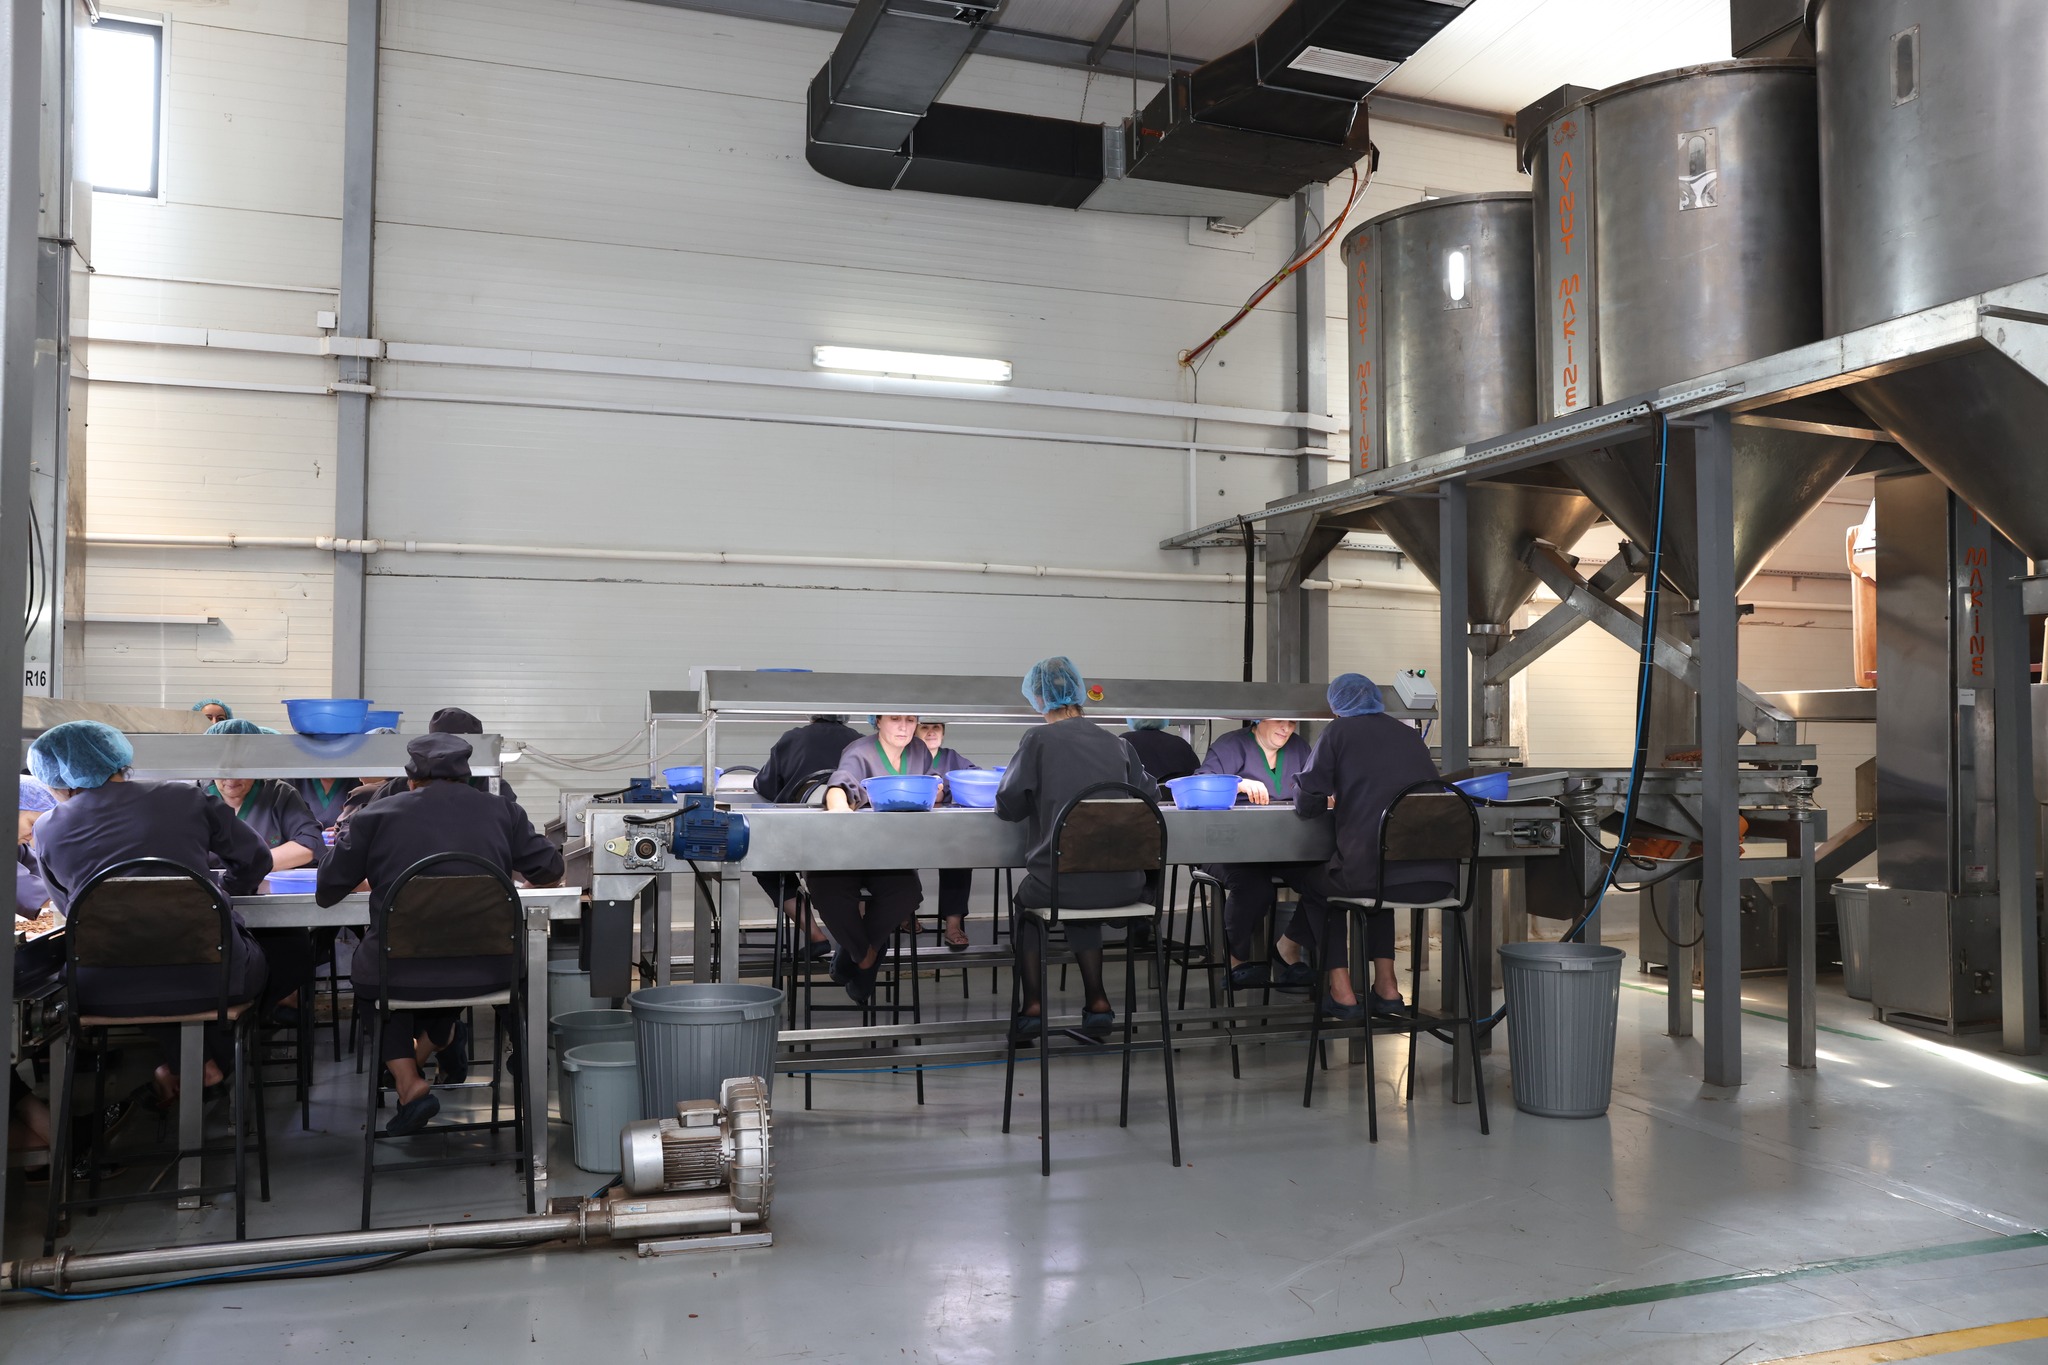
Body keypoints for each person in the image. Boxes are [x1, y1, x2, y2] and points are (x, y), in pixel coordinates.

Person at [316, 733, 564, 1136]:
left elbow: (326, 890)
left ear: (411, 779)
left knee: (372, 977)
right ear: (465, 776)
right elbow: (551, 869)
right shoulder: (502, 811)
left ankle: (408, 1083)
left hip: (399, 974)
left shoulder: (375, 814)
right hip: (492, 973)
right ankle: (519, 1051)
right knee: (517, 968)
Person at [28, 721, 272, 1104]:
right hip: (213, 981)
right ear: (118, 758)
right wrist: (223, 893)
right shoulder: (184, 796)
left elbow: (71, 911)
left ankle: (191, 1065)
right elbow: (256, 858)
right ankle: (208, 1063)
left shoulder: (46, 828)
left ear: (54, 779)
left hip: (101, 989)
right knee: (284, 951)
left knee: (147, 974)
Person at [996, 658, 1158, 1043]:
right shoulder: (1119, 744)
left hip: (1061, 886)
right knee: (1081, 898)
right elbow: (1149, 795)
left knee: (1032, 904)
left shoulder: (1037, 740)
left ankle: (1032, 1008)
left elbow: (1008, 807)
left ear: (1039, 698)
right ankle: (1098, 1002)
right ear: (1080, 694)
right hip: (1124, 886)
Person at [1290, 674, 1456, 1021]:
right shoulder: (1408, 735)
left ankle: (1341, 992)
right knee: (1383, 882)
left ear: (1336, 708)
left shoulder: (1338, 731)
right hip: (1439, 880)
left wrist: (1325, 798)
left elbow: (1307, 801)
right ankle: (1387, 988)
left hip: (1372, 877)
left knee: (1316, 886)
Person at [205, 718, 329, 1023]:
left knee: (291, 955)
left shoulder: (278, 794)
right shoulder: (195, 797)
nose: (231, 780)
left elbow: (310, 844)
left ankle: (261, 1016)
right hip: (209, 912)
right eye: (223, 771)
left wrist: (255, 863)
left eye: (241, 771)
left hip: (272, 917)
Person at [811, 715, 933, 1004]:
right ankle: (865, 958)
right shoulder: (860, 751)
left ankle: (853, 954)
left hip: (888, 853)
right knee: (830, 893)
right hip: (843, 853)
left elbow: (930, 784)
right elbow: (840, 785)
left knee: (906, 892)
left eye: (910, 719)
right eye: (895, 719)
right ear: (878, 720)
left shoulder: (919, 750)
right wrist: (839, 810)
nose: (903, 726)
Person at [1196, 718, 1324, 993]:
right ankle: (1236, 963)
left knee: (1325, 881)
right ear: (1259, 718)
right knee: (1254, 889)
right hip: (1229, 847)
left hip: (1285, 848)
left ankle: (1288, 946)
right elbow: (1201, 783)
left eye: (1292, 722)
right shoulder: (1231, 745)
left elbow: (1316, 786)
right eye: (1279, 721)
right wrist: (1238, 784)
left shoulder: (1299, 748)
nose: (1286, 728)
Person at [751, 714, 860, 959]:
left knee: (767, 869)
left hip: (800, 840)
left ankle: (815, 936)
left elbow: (766, 786)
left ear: (811, 714)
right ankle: (856, 938)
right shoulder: (861, 742)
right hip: (852, 845)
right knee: (870, 875)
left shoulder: (792, 738)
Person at [917, 719, 977, 951]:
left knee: (959, 859)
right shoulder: (905, 757)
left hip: (946, 831)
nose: (931, 732)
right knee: (897, 862)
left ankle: (953, 925)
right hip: (910, 830)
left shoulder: (952, 757)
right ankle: (904, 914)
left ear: (943, 732)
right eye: (925, 727)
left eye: (937, 728)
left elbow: (974, 777)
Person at [16, 776, 54, 917]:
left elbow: (42, 873)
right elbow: (23, 890)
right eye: (32, 824)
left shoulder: (17, 846)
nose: (33, 835)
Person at [1121, 719, 1200, 784]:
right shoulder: (1180, 744)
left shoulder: (1123, 742)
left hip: (1133, 798)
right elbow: (1195, 779)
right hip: (1173, 797)